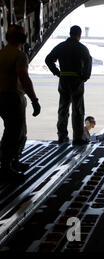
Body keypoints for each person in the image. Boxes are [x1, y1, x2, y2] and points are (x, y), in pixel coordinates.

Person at [0, 25, 41, 178]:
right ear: (20, 38)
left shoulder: (1, 54)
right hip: (13, 96)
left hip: (1, 95)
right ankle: (6, 167)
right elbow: (24, 78)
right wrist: (34, 99)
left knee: (11, 130)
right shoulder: (20, 55)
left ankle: (12, 161)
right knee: (15, 132)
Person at [45, 25, 92, 145]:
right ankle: (77, 138)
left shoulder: (61, 46)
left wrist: (57, 73)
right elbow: (88, 62)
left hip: (64, 79)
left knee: (63, 109)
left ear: (70, 33)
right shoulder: (82, 48)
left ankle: (62, 136)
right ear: (79, 35)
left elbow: (48, 59)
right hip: (77, 80)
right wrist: (85, 77)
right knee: (78, 110)